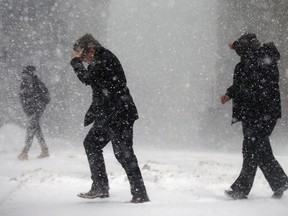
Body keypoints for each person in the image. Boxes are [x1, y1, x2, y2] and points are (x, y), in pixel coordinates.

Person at [70, 33, 149, 203]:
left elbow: (88, 80)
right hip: (110, 114)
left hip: (119, 114)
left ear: (90, 50)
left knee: (124, 154)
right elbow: (100, 89)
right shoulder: (100, 59)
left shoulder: (103, 59)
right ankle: (100, 187)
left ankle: (140, 194)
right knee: (92, 144)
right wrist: (95, 112)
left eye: (83, 56)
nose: (83, 60)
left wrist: (75, 62)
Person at [221, 33, 288, 199]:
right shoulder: (246, 64)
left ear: (252, 44)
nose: (239, 48)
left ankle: (241, 190)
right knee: (260, 151)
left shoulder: (266, 55)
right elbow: (243, 83)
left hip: (263, 113)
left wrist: (237, 45)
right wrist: (229, 94)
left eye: (243, 44)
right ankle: (280, 182)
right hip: (252, 113)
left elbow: (255, 76)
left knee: (251, 150)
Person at [17, 66, 50, 160]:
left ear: (32, 75)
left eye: (27, 75)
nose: (25, 77)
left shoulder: (39, 84)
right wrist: (26, 109)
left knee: (31, 128)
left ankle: (25, 152)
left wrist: (39, 106)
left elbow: (47, 98)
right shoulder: (23, 85)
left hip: (37, 110)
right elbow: (22, 98)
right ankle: (45, 150)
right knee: (36, 129)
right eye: (24, 75)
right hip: (29, 111)